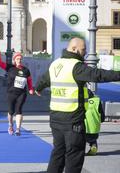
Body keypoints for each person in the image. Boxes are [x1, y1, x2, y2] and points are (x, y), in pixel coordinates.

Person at [34, 37, 120, 173]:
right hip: (73, 120)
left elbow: (43, 80)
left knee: (58, 153)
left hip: (55, 119)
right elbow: (98, 75)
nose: (85, 52)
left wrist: (38, 88)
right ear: (74, 49)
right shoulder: (76, 67)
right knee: (74, 156)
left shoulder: (56, 64)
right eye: (83, 49)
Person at [0, 50, 34, 136]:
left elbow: (29, 80)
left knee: (19, 110)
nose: (19, 60)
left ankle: (18, 129)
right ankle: (10, 125)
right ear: (14, 60)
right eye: (17, 59)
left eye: (20, 59)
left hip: (22, 93)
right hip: (11, 93)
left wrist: (31, 89)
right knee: (11, 111)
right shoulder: (10, 68)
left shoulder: (26, 70)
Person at [85, 89, 105, 156]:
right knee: (92, 139)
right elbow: (101, 112)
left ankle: (80, 151)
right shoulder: (97, 100)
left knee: (81, 139)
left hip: (83, 124)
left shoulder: (81, 100)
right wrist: (102, 119)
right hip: (94, 124)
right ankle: (93, 146)